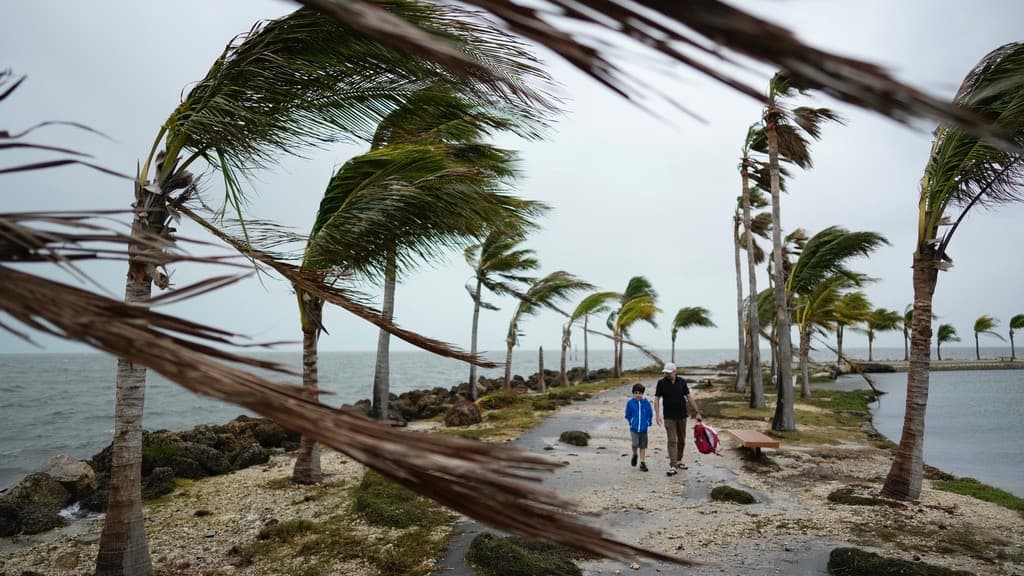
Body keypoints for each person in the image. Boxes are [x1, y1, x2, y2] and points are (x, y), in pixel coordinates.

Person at [654, 362, 702, 476]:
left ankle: (679, 460)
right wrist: (657, 414)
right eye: (665, 373)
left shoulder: (682, 382)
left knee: (682, 439)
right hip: (668, 416)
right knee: (672, 440)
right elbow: (656, 398)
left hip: (682, 415)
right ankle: (673, 465)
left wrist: (697, 412)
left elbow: (689, 397)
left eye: (669, 373)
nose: (666, 374)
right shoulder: (661, 383)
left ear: (675, 372)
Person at [624, 382, 653, 472]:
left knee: (643, 446)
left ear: (642, 394)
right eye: (636, 393)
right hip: (634, 428)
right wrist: (631, 421)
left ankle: (642, 462)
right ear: (633, 393)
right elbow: (627, 414)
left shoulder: (646, 403)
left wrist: (648, 422)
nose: (638, 395)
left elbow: (650, 413)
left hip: (644, 429)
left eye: (640, 393)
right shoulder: (630, 403)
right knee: (635, 444)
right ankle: (635, 454)